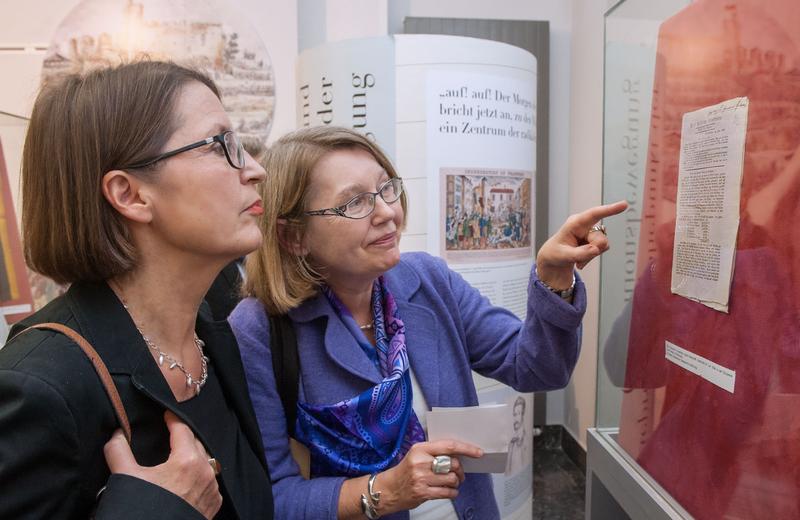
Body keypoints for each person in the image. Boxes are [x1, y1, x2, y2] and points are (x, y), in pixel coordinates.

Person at [229, 126, 627, 519]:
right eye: (355, 202)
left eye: (386, 189)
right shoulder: (258, 330)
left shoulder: (426, 280)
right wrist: (386, 491)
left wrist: (553, 279)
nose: (388, 212)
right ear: (294, 236)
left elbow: (538, 368)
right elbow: (271, 499)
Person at [0, 61, 274, 519]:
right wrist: (154, 510)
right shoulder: (40, 386)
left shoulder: (211, 333)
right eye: (219, 145)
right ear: (130, 194)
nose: (255, 169)